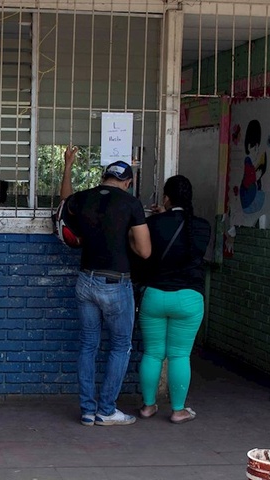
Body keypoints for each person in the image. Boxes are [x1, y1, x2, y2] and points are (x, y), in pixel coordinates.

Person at [60, 145, 151, 426]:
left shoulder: (84, 199)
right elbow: (145, 251)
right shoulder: (130, 203)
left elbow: (65, 203)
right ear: (128, 182)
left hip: (85, 279)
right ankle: (107, 410)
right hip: (115, 282)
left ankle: (88, 410)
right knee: (120, 346)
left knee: (88, 345)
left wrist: (68, 165)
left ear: (103, 177)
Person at [134, 175, 211, 424]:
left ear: (166, 198)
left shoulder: (153, 224)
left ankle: (147, 406)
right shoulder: (202, 226)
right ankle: (178, 410)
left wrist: (157, 217)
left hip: (155, 297)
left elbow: (146, 245)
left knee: (153, 353)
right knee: (179, 355)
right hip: (189, 299)